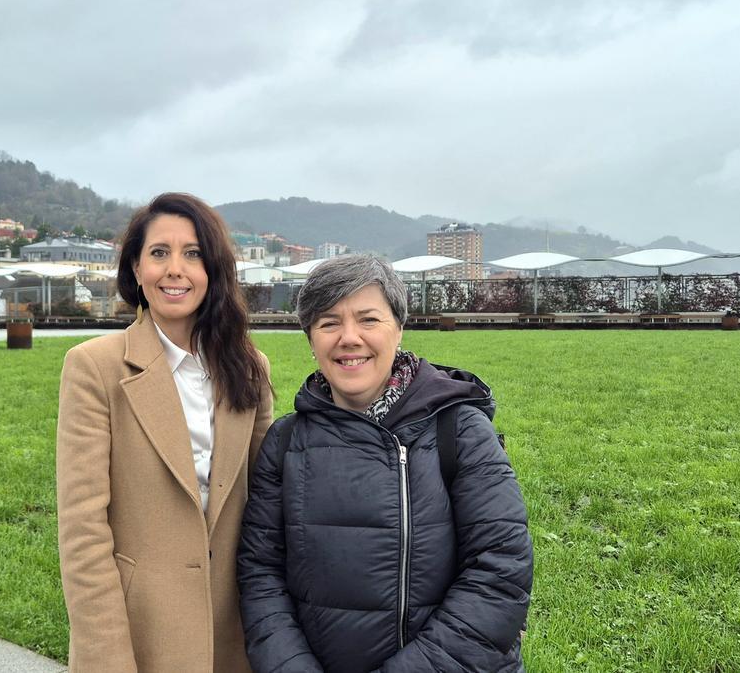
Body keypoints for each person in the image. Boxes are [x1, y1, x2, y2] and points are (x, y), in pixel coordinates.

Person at [237, 254, 533, 673]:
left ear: (399, 328)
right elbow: (261, 576)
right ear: (311, 340)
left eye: (368, 320)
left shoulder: (459, 429)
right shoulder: (285, 442)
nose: (349, 338)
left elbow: (500, 572)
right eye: (329, 323)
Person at [56, 192, 274, 672]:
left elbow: (266, 506)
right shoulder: (94, 367)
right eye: (159, 252)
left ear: (213, 269)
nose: (176, 269)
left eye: (193, 253)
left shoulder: (249, 368)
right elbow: (82, 534)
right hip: (141, 634)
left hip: (236, 634)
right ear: (136, 268)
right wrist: (107, 659)